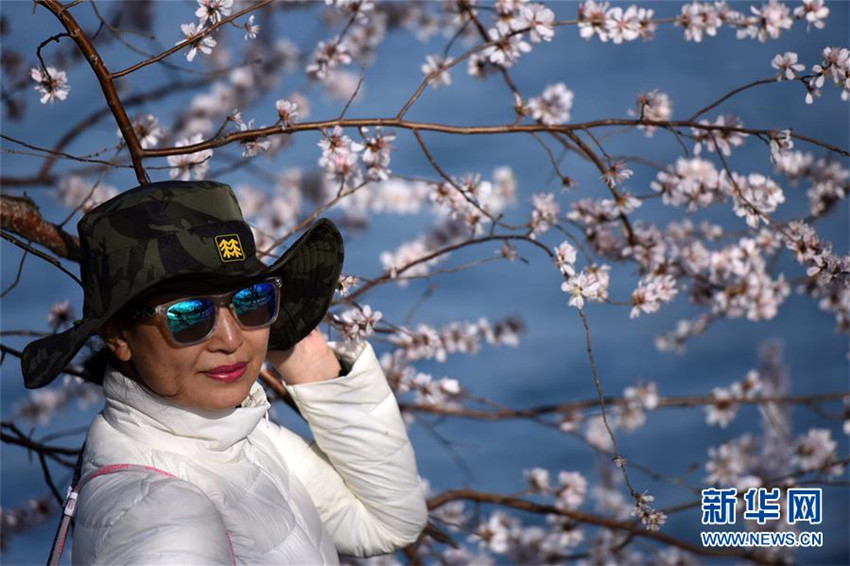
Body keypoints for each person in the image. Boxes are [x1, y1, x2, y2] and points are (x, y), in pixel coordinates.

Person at [20, 180, 428, 564]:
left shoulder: (242, 437)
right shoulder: (161, 516)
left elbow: (385, 521)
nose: (231, 339)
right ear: (118, 337)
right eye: (189, 314)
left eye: (251, 300)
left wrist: (312, 362)